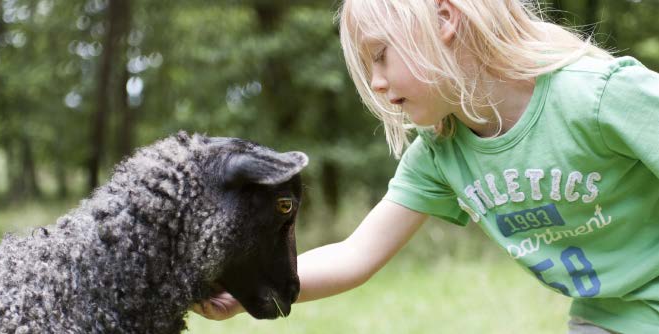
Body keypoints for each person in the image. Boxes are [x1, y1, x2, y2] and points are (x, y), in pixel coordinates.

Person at [194, 0, 659, 333]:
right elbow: (356, 254)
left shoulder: (597, 96)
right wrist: (247, 284)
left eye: (380, 55)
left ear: (444, 19)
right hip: (604, 319)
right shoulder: (441, 150)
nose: (376, 83)